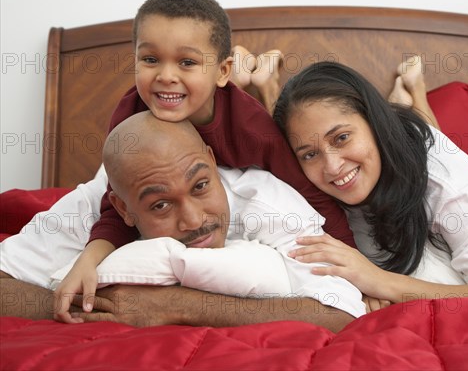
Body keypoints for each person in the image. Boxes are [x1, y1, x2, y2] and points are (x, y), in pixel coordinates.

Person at [55, 0, 357, 321]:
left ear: (221, 71)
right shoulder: (130, 118)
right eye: (150, 59)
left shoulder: (251, 128)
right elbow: (115, 204)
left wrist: (354, 265)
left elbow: (310, 192)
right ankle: (256, 76)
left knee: (279, 121)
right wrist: (89, 261)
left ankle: (261, 82)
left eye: (187, 62)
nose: (166, 75)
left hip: (240, 113)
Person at [0, 111, 364, 332]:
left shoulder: (266, 202)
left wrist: (172, 305)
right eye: (160, 205)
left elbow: (342, 312)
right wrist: (94, 307)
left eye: (201, 185)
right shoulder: (91, 204)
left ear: (209, 160)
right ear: (123, 208)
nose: (194, 220)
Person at [272, 61, 468, 309]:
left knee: (429, 142)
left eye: (341, 138)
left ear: (374, 122)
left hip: (416, 158)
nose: (332, 166)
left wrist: (379, 281)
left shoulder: (449, 183)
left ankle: (415, 92)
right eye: (310, 154)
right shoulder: (302, 179)